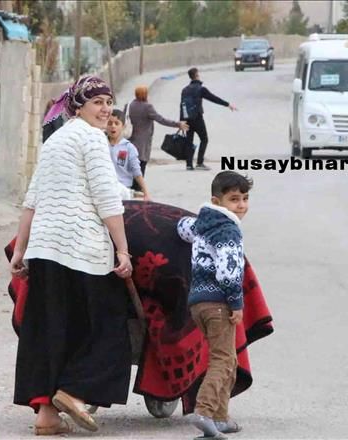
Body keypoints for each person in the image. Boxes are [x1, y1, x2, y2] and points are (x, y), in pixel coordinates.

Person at [10, 76, 133, 436]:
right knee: (109, 326)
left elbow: (32, 200)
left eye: (109, 102)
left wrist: (21, 250)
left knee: (51, 331)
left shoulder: (55, 139)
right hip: (82, 251)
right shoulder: (91, 138)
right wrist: (122, 249)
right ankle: (75, 392)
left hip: (45, 251)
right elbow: (107, 199)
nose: (105, 110)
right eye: (97, 103)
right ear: (78, 107)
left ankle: (46, 414)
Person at [176, 171, 252, 437]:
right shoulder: (228, 230)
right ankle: (205, 411)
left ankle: (221, 417)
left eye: (245, 198)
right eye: (234, 199)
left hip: (198, 303)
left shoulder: (202, 225)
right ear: (217, 201)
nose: (241, 205)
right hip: (219, 303)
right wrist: (236, 303)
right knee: (222, 360)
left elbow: (182, 228)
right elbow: (228, 273)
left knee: (228, 358)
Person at [180, 68, 238, 171]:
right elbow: (213, 98)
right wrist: (227, 104)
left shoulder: (184, 90)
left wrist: (182, 120)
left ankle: (189, 164)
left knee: (189, 141)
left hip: (187, 119)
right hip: (197, 118)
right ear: (196, 76)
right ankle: (199, 163)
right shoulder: (201, 89)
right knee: (204, 139)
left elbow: (182, 105)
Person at [128, 85, 188, 177]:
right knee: (141, 164)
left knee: (132, 164)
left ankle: (133, 184)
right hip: (143, 141)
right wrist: (177, 124)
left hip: (131, 138)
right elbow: (161, 119)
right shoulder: (147, 107)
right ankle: (139, 184)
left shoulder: (130, 105)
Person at [107, 109, 152, 201]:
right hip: (105, 190)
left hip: (123, 191)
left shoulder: (128, 148)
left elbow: (137, 172)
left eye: (116, 123)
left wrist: (146, 193)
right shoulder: (101, 144)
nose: (113, 126)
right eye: (110, 123)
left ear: (123, 126)